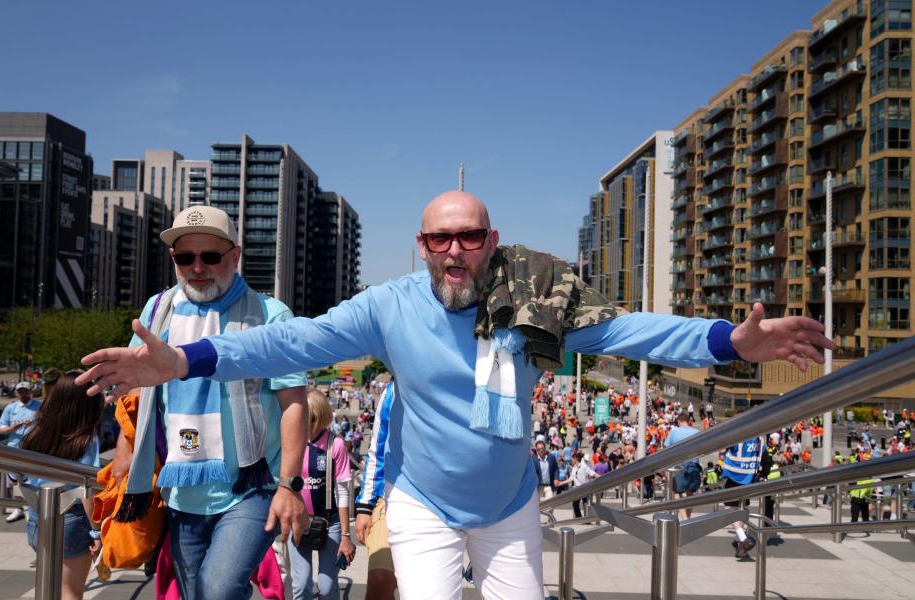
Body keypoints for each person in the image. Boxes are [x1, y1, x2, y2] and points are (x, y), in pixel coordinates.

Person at [78, 191, 834, 600]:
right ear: (421, 245)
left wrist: (730, 344)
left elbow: (629, 332)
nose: (454, 251)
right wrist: (184, 361)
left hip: (509, 504)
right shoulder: (389, 305)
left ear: (491, 240)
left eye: (469, 237)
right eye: (440, 238)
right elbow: (291, 343)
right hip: (424, 502)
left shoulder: (539, 299)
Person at [107, 206, 310, 600]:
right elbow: (134, 393)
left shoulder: (271, 315)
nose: (197, 267)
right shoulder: (157, 310)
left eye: (210, 257)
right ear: (173, 260)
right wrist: (125, 447)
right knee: (193, 594)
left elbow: (293, 403)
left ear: (234, 256)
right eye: (185, 257)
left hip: (252, 488)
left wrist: (290, 485)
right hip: (182, 490)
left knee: (216, 590)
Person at [20, 372, 102, 600]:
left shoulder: (35, 431)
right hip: (71, 517)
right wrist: (96, 531)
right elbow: (86, 487)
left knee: (51, 584)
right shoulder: (86, 438)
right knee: (69, 591)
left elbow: (16, 473)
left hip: (37, 515)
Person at [289, 390, 356, 600]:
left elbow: (343, 493)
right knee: (301, 586)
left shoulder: (335, 445)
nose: (307, 423)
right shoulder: (291, 441)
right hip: (299, 520)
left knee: (326, 588)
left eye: (311, 418)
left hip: (330, 522)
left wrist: (346, 536)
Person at [354, 381, 398, 600]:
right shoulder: (392, 391)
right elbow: (377, 451)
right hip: (389, 497)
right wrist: (364, 507)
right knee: (380, 581)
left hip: (445, 501)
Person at [722, 435, 772, 558]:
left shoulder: (739, 433)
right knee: (741, 509)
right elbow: (767, 460)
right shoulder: (760, 439)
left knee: (729, 508)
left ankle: (743, 537)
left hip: (734, 476)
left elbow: (723, 447)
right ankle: (741, 546)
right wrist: (762, 474)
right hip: (749, 478)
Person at [0, 380, 41, 523]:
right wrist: (13, 428)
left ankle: (32, 507)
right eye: (20, 391)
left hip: (33, 448)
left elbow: (47, 425)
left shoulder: (39, 407)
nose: (23, 393)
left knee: (32, 480)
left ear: (30, 391)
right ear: (17, 392)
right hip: (14, 447)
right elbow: (1, 429)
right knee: (13, 481)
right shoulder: (11, 408)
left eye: (25, 390)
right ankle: (18, 508)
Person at [663, 412, 702, 519]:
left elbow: (666, 448)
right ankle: (687, 517)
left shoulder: (674, 431)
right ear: (688, 421)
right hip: (693, 464)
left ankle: (685, 519)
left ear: (679, 421)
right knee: (690, 493)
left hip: (678, 465)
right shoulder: (697, 432)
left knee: (677, 492)